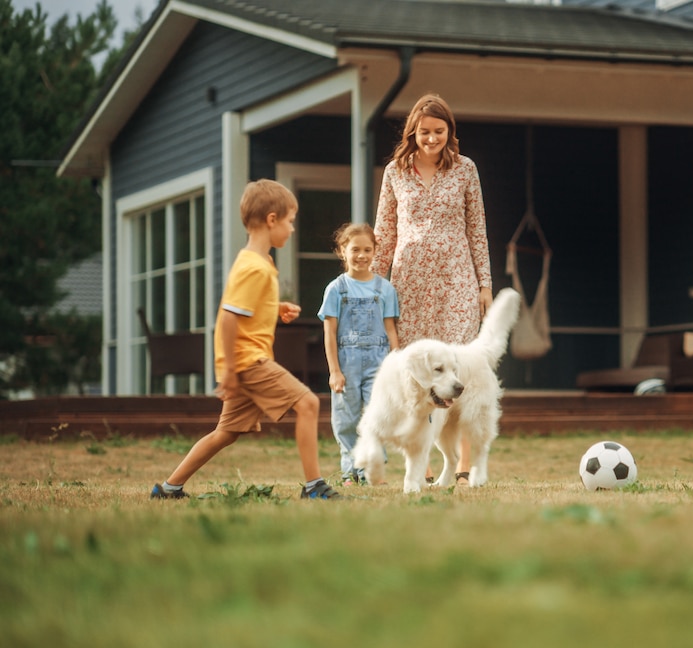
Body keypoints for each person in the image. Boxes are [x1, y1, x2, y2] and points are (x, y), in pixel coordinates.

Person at [151, 179, 340, 501]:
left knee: (227, 432)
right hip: (248, 360)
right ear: (271, 219)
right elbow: (227, 317)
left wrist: (275, 308)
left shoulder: (260, 262)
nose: (292, 229)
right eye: (290, 221)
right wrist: (227, 371)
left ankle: (169, 488)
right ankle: (314, 487)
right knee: (308, 403)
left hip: (244, 360)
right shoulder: (254, 266)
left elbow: (245, 306)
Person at [371, 93, 493, 487]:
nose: (431, 139)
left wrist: (485, 284)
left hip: (457, 279)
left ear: (449, 132)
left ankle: (463, 466)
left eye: (439, 132)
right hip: (409, 283)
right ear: (413, 131)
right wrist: (375, 286)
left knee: (463, 369)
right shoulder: (394, 172)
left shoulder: (465, 169)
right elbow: (384, 232)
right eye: (425, 132)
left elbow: (477, 229)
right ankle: (419, 466)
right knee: (420, 376)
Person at [318, 223, 400, 485]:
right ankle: (349, 472)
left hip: (379, 361)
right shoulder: (336, 289)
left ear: (375, 252)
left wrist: (395, 366)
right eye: (355, 250)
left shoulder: (385, 289)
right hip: (347, 361)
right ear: (343, 251)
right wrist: (334, 371)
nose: (361, 255)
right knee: (347, 418)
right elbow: (330, 333)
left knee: (377, 415)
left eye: (367, 250)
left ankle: (372, 470)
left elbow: (390, 329)